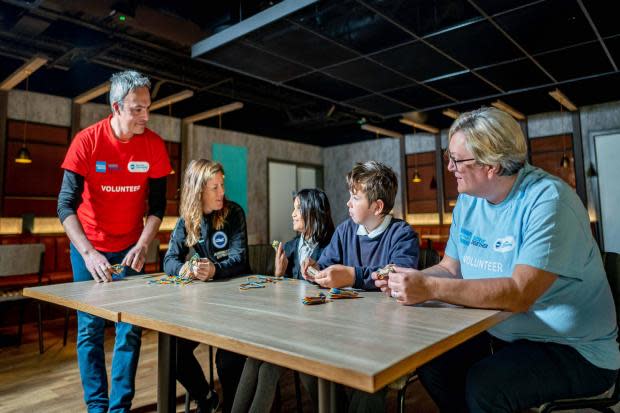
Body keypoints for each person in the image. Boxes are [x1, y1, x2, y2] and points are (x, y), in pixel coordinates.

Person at [376, 107, 620, 412]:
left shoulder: (548, 201)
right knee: (431, 361)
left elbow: (520, 294)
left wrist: (430, 288)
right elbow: (451, 268)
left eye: (457, 159)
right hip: (503, 333)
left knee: (486, 386)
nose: (449, 167)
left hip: (574, 348)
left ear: (491, 165)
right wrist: (408, 279)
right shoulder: (468, 200)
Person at [57, 70, 172, 412]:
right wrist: (88, 253)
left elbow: (158, 206)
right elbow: (65, 205)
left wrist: (143, 244)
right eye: (137, 109)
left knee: (130, 328)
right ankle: (97, 407)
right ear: (116, 107)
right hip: (89, 246)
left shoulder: (153, 145)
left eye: (148, 107)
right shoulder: (87, 142)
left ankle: (119, 407)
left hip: (131, 247)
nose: (145, 116)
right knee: (91, 329)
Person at [303, 160, 419, 412]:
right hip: (344, 330)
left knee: (367, 382)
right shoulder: (345, 231)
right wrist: (314, 272)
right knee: (307, 365)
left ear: (377, 207)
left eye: (355, 197)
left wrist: (353, 276)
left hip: (386, 338)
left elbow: (397, 276)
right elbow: (325, 266)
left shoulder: (402, 235)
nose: (347, 203)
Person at [232, 188, 335, 413]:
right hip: (287, 327)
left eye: (298, 208)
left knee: (268, 367)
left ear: (314, 212)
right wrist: (277, 275)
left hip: (317, 331)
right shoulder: (288, 248)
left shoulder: (332, 248)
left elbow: (335, 290)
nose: (293, 214)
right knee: (254, 360)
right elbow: (276, 297)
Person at [163, 159, 250, 413]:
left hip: (235, 304)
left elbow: (240, 260)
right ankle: (206, 397)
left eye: (222, 185)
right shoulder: (187, 219)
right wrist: (184, 269)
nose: (222, 192)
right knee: (174, 354)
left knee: (227, 361)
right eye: (215, 187)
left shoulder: (234, 213)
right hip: (203, 307)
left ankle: (232, 409)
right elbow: (169, 260)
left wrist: (214, 270)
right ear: (198, 190)